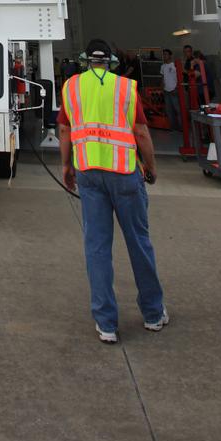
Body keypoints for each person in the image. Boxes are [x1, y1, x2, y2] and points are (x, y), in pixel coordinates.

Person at [58, 37, 168, 344]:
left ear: (84, 60)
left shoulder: (71, 87)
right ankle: (153, 313)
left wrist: (66, 166)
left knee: (96, 247)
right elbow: (141, 131)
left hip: (88, 171)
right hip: (124, 173)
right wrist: (151, 165)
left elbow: (65, 130)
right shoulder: (126, 88)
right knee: (139, 243)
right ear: (112, 61)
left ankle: (105, 322)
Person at [160, 48, 181, 132]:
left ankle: (181, 127)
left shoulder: (174, 65)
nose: (164, 56)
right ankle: (173, 127)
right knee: (169, 110)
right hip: (166, 91)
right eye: (163, 54)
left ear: (170, 55)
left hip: (174, 90)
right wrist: (162, 87)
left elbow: (179, 77)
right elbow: (162, 77)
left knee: (178, 110)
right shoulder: (163, 66)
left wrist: (176, 88)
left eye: (166, 54)